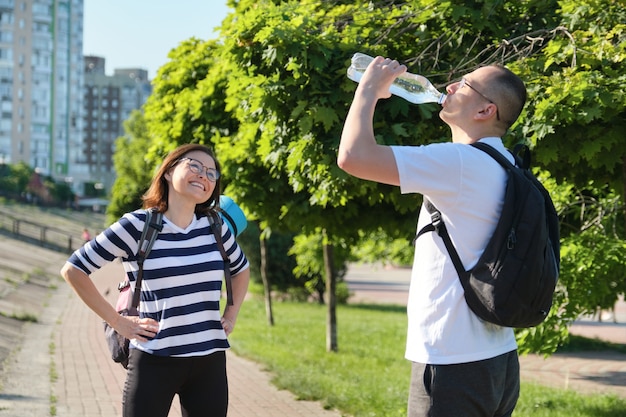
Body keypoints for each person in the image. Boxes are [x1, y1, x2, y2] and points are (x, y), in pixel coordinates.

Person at [338, 56, 526, 417]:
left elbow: (353, 157)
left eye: (465, 84)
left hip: (453, 362)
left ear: (486, 110)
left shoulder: (460, 162)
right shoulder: (509, 164)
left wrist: (368, 90)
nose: (451, 86)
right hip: (498, 357)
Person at [61, 143, 250, 417]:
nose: (204, 176)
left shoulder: (216, 228)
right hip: (153, 359)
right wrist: (118, 323)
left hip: (209, 362)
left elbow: (241, 269)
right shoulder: (137, 226)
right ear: (168, 172)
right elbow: (74, 269)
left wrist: (231, 314)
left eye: (211, 173)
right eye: (194, 166)